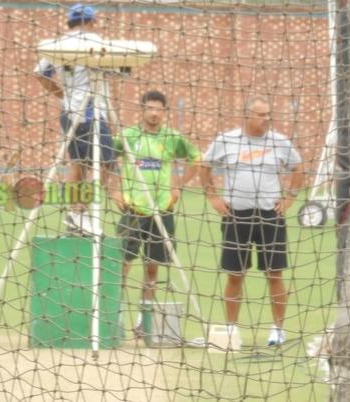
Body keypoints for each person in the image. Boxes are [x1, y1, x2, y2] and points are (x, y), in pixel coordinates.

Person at [199, 95, 304, 349]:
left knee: (274, 274)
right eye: (261, 115)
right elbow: (204, 165)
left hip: (270, 216)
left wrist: (289, 198)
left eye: (268, 114)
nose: (266, 119)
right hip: (236, 216)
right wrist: (213, 196)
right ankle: (232, 330)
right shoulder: (227, 140)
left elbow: (298, 168)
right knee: (235, 274)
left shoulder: (279, 142)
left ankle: (278, 330)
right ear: (247, 115)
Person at [110, 90, 201, 341]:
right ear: (142, 110)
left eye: (158, 109)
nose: (153, 113)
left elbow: (197, 158)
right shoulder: (128, 136)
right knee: (121, 266)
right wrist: (113, 190)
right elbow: (105, 157)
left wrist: (178, 186)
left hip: (162, 211)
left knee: (152, 269)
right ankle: (114, 318)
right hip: (133, 210)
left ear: (164, 112)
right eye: (149, 108)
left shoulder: (172, 137)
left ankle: (143, 321)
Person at [34, 3, 115, 236]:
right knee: (106, 163)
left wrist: (62, 94)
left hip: (69, 112)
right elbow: (118, 69)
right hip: (91, 111)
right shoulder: (95, 41)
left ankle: (75, 213)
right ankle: (80, 211)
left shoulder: (58, 44)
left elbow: (39, 73)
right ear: (90, 22)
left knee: (79, 163)